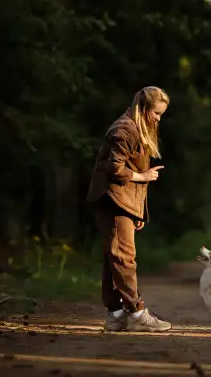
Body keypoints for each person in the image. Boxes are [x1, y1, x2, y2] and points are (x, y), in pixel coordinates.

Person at [86, 86, 173, 332]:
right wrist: (143, 176)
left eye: (161, 114)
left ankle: (115, 315)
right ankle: (136, 314)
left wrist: (138, 212)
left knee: (114, 257)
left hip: (121, 201)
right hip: (112, 199)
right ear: (143, 108)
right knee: (124, 257)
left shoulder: (136, 129)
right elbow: (116, 169)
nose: (158, 118)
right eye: (156, 113)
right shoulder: (124, 129)